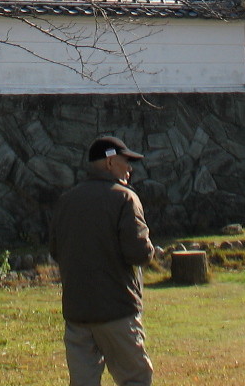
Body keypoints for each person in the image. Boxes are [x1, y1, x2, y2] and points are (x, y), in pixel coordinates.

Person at [50, 135, 157, 386]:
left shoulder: (67, 200)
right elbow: (138, 253)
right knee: (135, 379)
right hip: (116, 311)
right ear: (110, 163)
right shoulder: (124, 198)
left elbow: (56, 250)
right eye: (126, 161)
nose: (130, 168)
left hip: (77, 312)